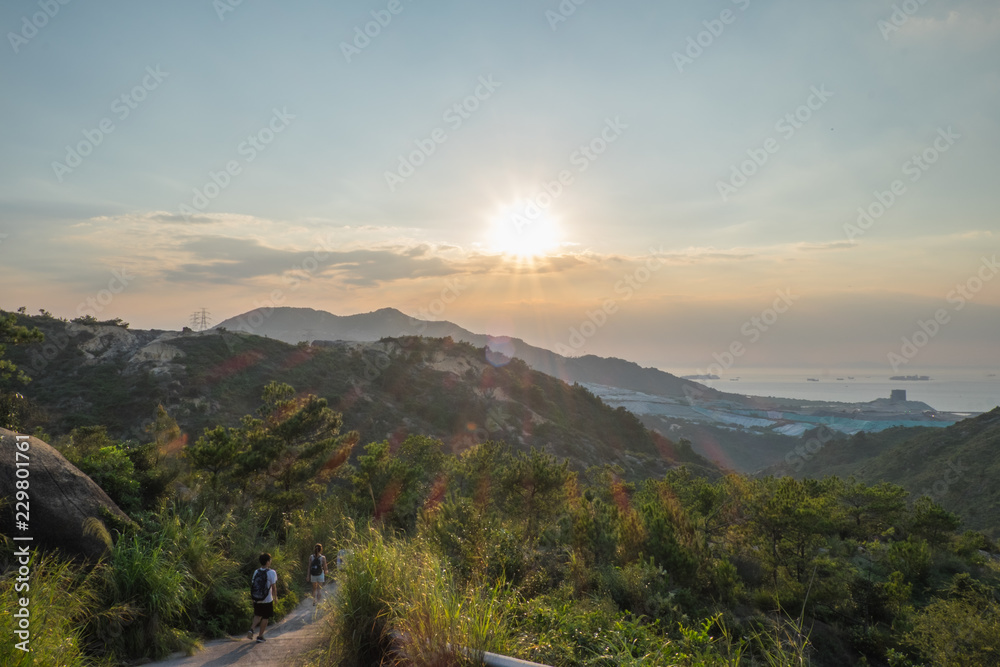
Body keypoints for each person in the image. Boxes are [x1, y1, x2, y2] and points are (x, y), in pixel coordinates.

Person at [248, 553, 278, 643]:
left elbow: (253, 585)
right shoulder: (271, 572)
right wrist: (275, 597)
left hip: (257, 598)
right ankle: (260, 636)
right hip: (267, 599)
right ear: (268, 562)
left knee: (257, 615)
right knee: (265, 617)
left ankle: (251, 629)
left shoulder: (256, 571)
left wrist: (253, 597)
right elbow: (274, 587)